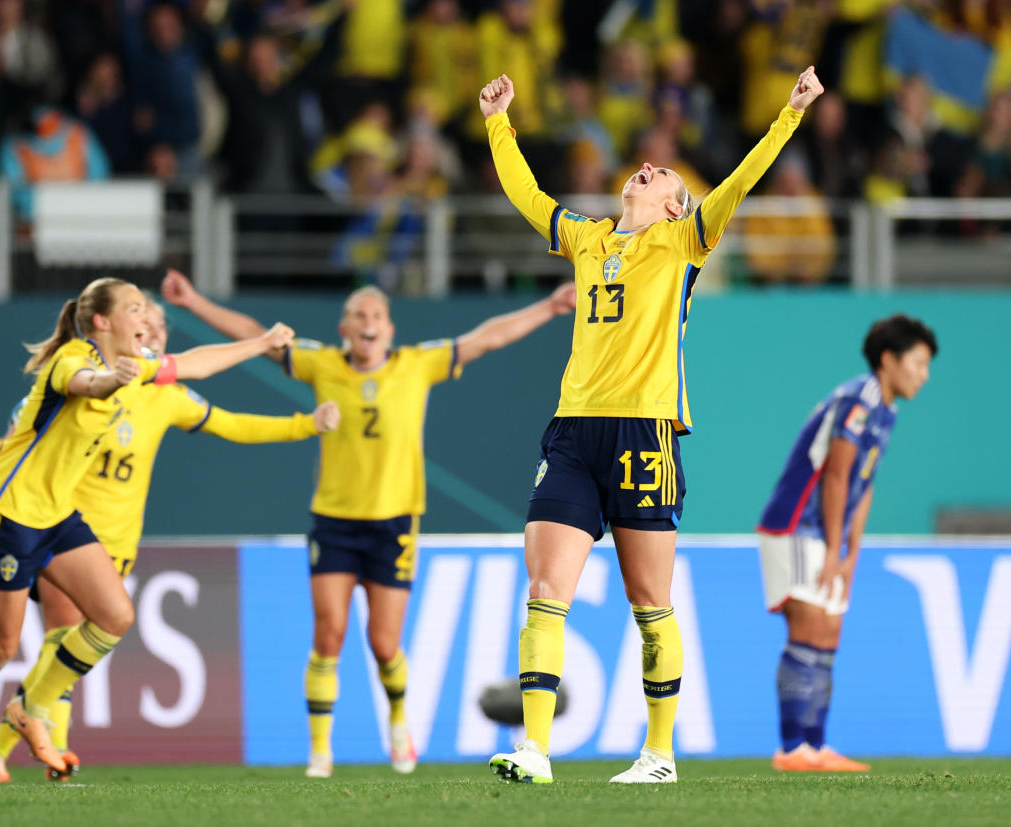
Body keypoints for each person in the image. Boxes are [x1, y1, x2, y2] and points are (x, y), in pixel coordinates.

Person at [478, 66, 824, 784]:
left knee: (649, 602)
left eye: (660, 173)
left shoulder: (684, 243)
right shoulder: (585, 239)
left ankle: (658, 754)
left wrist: (788, 115)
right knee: (545, 587)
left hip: (644, 433)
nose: (644, 168)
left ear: (673, 208)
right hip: (572, 432)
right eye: (643, 166)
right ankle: (534, 749)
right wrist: (497, 122)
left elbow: (737, 183)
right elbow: (526, 196)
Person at [162, 269, 575, 778]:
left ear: (389, 328)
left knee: (384, 644)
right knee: (329, 634)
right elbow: (255, 334)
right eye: (358, 315)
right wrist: (195, 300)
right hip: (334, 520)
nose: (368, 322)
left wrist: (550, 307)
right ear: (345, 328)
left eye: (376, 315)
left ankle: (399, 721)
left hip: (394, 524)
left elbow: (485, 339)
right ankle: (320, 753)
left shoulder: (415, 365)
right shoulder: (322, 364)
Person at [0, 277, 294, 787]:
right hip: (5, 514)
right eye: (135, 309)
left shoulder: (139, 369)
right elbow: (85, 383)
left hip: (55, 515)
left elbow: (197, 362)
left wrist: (261, 344)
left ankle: (33, 708)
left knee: (114, 615)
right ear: (103, 321)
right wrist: (112, 380)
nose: (146, 319)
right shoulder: (72, 359)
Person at [0, 298, 340, 783]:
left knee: (69, 655)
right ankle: (55, 755)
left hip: (119, 544)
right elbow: (28, 428)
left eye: (160, 324)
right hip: (63, 532)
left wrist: (305, 425)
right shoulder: (93, 380)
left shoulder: (169, 396)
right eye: (143, 321)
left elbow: (233, 424)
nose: (153, 329)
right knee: (62, 637)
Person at [757, 314, 936, 773]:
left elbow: (864, 483)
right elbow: (836, 476)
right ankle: (792, 747)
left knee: (829, 632)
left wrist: (852, 554)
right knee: (809, 628)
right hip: (798, 524)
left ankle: (815, 747)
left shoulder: (886, 410)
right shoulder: (861, 398)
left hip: (826, 534)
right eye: (918, 362)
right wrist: (837, 550)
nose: (924, 374)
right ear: (889, 360)